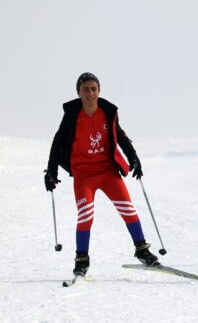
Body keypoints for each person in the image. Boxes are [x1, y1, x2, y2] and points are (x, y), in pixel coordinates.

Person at [44, 72, 159, 277]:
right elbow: (57, 142)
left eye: (94, 89)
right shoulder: (72, 116)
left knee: (128, 210)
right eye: (86, 89)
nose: (90, 93)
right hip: (83, 175)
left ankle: (142, 250)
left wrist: (134, 158)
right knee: (86, 216)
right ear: (78, 92)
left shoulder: (107, 113)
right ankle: (81, 260)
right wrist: (51, 171)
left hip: (108, 173)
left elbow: (121, 136)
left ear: (99, 91)